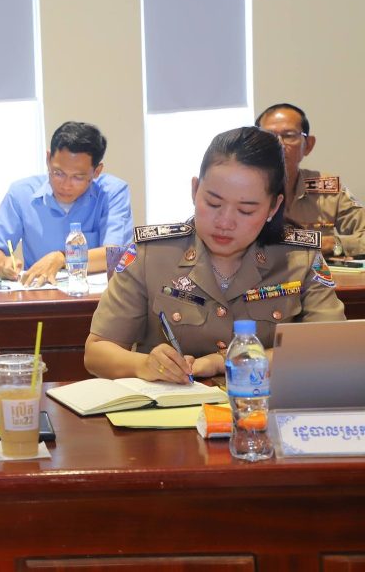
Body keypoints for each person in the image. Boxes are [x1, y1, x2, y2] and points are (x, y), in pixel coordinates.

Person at [84, 126, 345, 383]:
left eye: (245, 210)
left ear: (273, 207)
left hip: (262, 405)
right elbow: (97, 352)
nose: (225, 222)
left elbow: (332, 346)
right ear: (195, 190)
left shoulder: (299, 258)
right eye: (213, 203)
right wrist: (144, 364)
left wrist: (227, 361)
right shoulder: (151, 254)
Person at [0, 121, 133, 286]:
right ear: (48, 159)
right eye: (58, 173)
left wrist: (63, 258)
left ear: (96, 171)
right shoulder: (21, 193)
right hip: (38, 292)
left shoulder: (112, 192)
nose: (66, 185)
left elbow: (115, 255)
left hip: (93, 296)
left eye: (78, 177)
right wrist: (2, 264)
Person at [255, 103, 365, 257]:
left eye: (289, 135)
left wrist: (333, 244)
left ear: (308, 145)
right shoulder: (240, 190)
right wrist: (313, 242)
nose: (279, 144)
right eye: (269, 136)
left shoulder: (328, 186)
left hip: (317, 272)